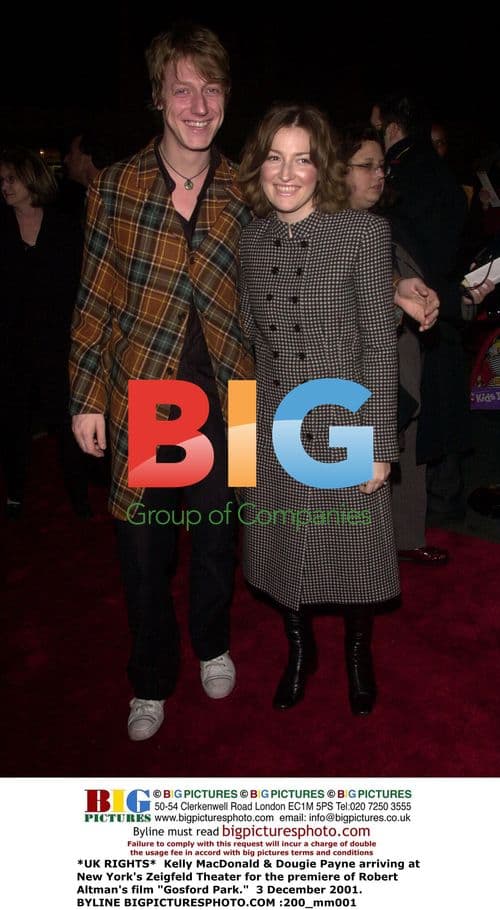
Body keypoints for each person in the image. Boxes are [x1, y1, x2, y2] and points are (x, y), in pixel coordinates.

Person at [70, 23, 254, 742]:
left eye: (212, 89)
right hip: (148, 398)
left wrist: (394, 277)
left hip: (228, 397)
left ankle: (211, 642)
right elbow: (92, 299)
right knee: (146, 552)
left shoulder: (248, 187)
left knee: (215, 540)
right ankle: (150, 677)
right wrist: (86, 395)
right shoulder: (116, 188)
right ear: (158, 98)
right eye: (184, 88)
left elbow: (325, 236)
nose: (199, 104)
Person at [237, 103, 400, 716]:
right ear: (260, 167)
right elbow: (249, 340)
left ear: (320, 166)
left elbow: (378, 344)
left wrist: (380, 445)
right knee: (281, 548)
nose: (286, 173)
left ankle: (358, 651)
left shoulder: (362, 233)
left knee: (353, 548)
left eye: (301, 158)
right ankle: (300, 649)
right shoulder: (249, 239)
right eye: (275, 158)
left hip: (344, 416)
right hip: (273, 421)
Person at [0, 147, 85, 518]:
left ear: (31, 178)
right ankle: (14, 492)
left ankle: (78, 494)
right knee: (12, 422)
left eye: (11, 178)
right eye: (1, 180)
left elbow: (80, 285)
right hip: (11, 345)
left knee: (65, 424)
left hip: (56, 344)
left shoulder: (64, 226)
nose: (5, 186)